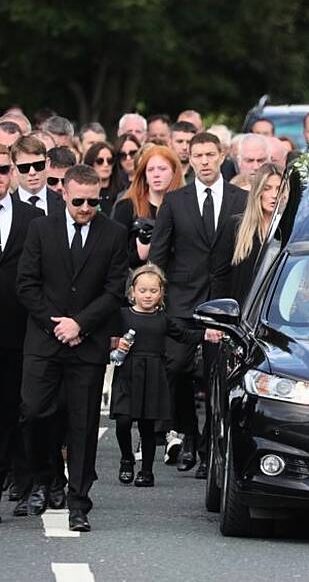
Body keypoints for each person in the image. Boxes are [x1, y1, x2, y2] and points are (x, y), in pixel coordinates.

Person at [17, 164, 128, 532]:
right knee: (35, 412)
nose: (85, 207)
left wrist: (81, 324)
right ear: (63, 192)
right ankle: (47, 476)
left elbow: (114, 290)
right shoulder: (40, 229)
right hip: (45, 342)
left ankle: (80, 502)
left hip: (88, 344)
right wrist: (59, 325)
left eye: (92, 201)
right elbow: (27, 284)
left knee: (82, 425)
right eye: (78, 200)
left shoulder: (113, 234)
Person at [149, 132, 246, 479]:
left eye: (209, 154)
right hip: (181, 302)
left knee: (217, 378)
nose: (204, 161)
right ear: (188, 159)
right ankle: (188, 433)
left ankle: (208, 447)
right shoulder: (175, 202)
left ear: (221, 155)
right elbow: (159, 254)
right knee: (175, 370)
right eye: (197, 155)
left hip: (224, 305)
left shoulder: (241, 199)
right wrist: (155, 297)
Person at [110, 264, 219, 488]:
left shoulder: (163, 319)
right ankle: (127, 458)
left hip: (153, 375)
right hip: (128, 373)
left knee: (148, 427)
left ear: (161, 294)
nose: (147, 295)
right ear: (132, 292)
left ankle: (147, 471)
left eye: (153, 291)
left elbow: (184, 335)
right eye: (142, 290)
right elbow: (107, 336)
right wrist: (114, 343)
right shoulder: (122, 315)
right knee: (122, 421)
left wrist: (206, 334)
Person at [0, 144, 44, 524]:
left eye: (2, 169)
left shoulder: (32, 218)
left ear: (12, 172)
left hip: (21, 331)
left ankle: (25, 484)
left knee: (21, 410)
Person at [112, 146, 184, 268]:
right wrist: (140, 254)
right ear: (144, 175)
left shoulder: (186, 207)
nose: (156, 174)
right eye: (150, 170)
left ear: (174, 172)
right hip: (137, 282)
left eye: (162, 169)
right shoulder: (126, 207)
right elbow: (115, 256)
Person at [226, 164, 283, 303]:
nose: (274, 195)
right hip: (241, 310)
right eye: (267, 188)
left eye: (279, 188)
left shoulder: (290, 228)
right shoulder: (236, 226)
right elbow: (221, 275)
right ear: (258, 191)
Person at [10, 136, 64, 215]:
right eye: (24, 168)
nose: (32, 172)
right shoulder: (6, 206)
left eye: (38, 165)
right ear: (14, 169)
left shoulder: (64, 203)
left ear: (47, 164)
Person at [83, 142, 125, 215]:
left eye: (110, 161)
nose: (106, 164)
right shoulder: (83, 193)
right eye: (100, 161)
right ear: (91, 163)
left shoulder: (123, 193)